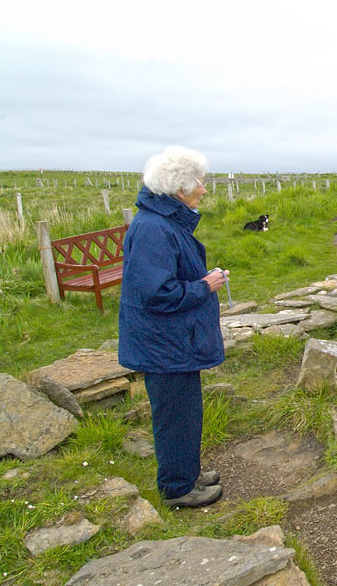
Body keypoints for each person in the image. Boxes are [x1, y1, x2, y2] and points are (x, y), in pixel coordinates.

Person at [118, 146, 226, 508]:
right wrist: (204, 286)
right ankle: (178, 488)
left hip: (174, 341)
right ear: (179, 189)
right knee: (175, 414)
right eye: (200, 181)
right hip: (164, 344)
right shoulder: (153, 229)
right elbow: (157, 293)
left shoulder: (162, 222)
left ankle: (186, 472)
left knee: (185, 410)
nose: (204, 189)